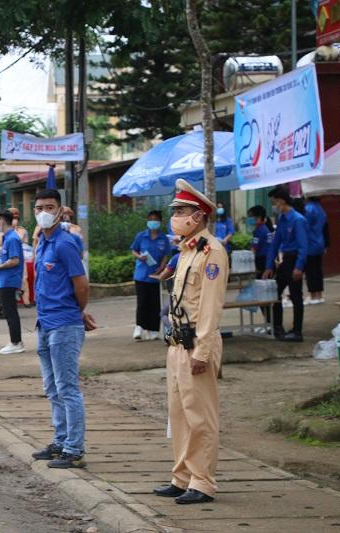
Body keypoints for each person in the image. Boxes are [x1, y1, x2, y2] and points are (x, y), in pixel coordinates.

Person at [153, 178, 228, 505]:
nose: (175, 217)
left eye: (181, 211)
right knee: (180, 414)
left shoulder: (213, 252)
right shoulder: (186, 250)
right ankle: (182, 476)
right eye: (175, 211)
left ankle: (202, 482)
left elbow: (211, 306)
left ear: (198, 216)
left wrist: (203, 350)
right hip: (177, 342)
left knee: (200, 416)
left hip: (197, 342)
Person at [29, 189, 97, 470]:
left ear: (59, 211)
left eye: (49, 207)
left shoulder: (65, 244)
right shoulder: (42, 243)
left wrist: (77, 312)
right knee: (52, 388)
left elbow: (81, 285)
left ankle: (74, 448)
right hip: (44, 323)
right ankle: (60, 441)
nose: (43, 212)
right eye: (39, 208)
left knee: (67, 388)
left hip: (64, 325)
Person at [263, 186, 308, 342]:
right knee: (275, 292)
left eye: (274, 203)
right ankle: (278, 326)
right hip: (286, 261)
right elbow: (275, 244)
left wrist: (299, 267)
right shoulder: (282, 219)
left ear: (281, 201)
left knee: (296, 296)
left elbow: (303, 246)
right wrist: (269, 266)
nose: (274, 206)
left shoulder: (298, 220)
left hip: (295, 259)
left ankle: (297, 331)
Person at [130, 211, 170, 341]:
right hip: (141, 275)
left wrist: (162, 267)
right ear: (147, 221)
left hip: (156, 276)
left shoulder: (163, 239)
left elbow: (165, 255)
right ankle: (139, 327)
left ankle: (153, 330)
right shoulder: (141, 236)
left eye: (156, 219)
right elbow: (133, 250)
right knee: (142, 302)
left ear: (160, 222)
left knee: (154, 304)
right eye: (151, 219)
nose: (153, 222)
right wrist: (139, 257)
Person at [0, 210, 25, 354]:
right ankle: (15, 340)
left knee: (10, 312)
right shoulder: (8, 237)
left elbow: (15, 260)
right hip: (5, 280)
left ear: (2, 221)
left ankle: (16, 343)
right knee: (8, 311)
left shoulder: (12, 239)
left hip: (9, 280)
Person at [247, 205, 274, 322]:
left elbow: (253, 250)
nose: (249, 219)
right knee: (265, 294)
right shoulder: (265, 229)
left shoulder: (259, 231)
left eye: (251, 217)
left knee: (262, 295)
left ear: (258, 217)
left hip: (262, 263)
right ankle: (268, 323)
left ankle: (268, 323)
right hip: (267, 262)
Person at [304, 196, 327, 305]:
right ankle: (319, 294)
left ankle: (313, 295)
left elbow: (305, 226)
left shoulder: (308, 209)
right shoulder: (320, 209)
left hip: (310, 244)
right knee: (318, 269)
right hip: (320, 242)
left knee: (310, 270)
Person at [8, 208, 32, 306]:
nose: (15, 220)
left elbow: (25, 244)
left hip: (21, 256)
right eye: (13, 218)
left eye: (16, 218)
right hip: (9, 257)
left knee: (24, 278)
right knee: (10, 278)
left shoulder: (22, 231)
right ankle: (12, 300)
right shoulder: (4, 231)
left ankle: (26, 301)